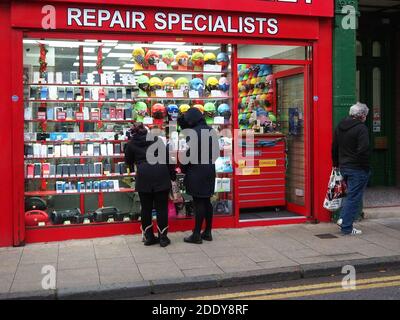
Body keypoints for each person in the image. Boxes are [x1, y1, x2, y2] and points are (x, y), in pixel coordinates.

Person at [125, 123, 176, 247]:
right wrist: (172, 176)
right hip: (160, 174)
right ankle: (163, 237)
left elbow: (128, 162)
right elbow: (168, 159)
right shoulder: (156, 139)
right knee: (161, 208)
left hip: (144, 176)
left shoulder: (131, 144)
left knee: (146, 208)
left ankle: (149, 237)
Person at [178, 108, 220, 244]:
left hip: (196, 170)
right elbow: (216, 154)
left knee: (198, 202)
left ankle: (196, 234)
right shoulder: (211, 131)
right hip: (209, 169)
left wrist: (183, 167)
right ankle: (207, 232)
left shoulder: (193, 133)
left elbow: (189, 154)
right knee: (207, 201)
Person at [332, 102, 371, 235]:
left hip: (344, 166)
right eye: (365, 114)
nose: (366, 117)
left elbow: (335, 147)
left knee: (350, 195)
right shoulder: (361, 128)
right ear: (361, 115)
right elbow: (364, 149)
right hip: (358, 168)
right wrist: (365, 167)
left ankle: (343, 219)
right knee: (354, 197)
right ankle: (347, 227)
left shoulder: (340, 126)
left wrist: (336, 163)